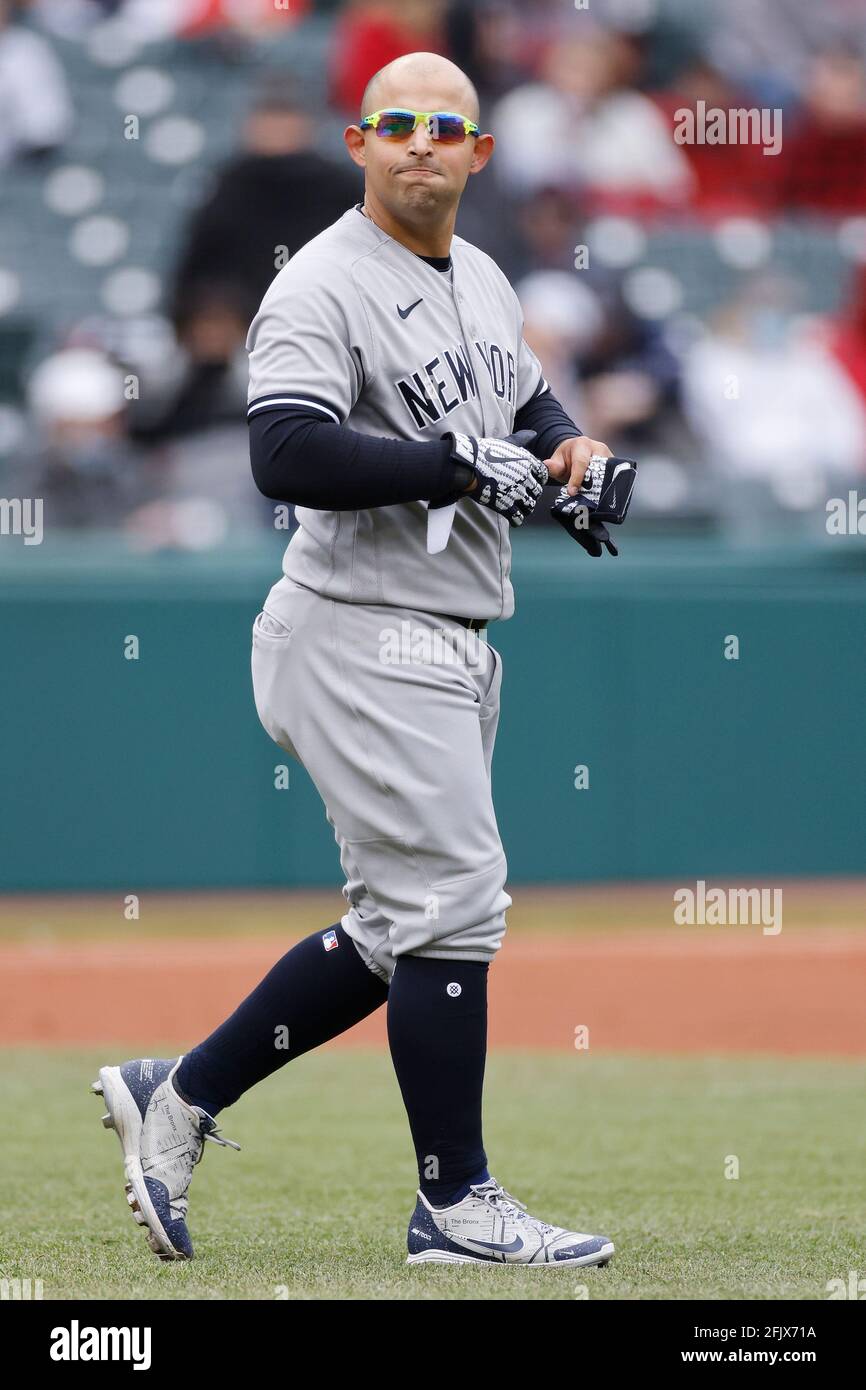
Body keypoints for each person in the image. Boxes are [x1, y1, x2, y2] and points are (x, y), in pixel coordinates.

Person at [92, 51, 617, 1271]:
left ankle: (179, 1089)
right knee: (457, 900)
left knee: (400, 925)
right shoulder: (322, 281)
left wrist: (569, 455)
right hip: (359, 623)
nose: (421, 143)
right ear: (357, 144)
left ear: (479, 153)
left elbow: (527, 405)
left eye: (447, 125)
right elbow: (283, 450)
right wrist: (449, 462)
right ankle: (456, 1204)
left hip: (445, 625)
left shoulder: (479, 273)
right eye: (396, 125)